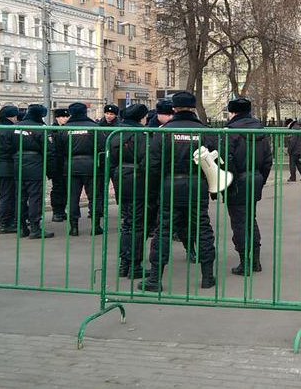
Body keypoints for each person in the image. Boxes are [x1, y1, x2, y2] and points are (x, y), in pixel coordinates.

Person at [142, 91, 217, 291]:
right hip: (197, 184)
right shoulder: (205, 131)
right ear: (193, 108)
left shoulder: (164, 131)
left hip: (170, 185)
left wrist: (153, 191)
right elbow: (214, 163)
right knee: (202, 228)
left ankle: (154, 279)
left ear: (174, 108)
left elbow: (153, 164)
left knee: (163, 230)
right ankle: (207, 276)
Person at [224, 98, 274, 276]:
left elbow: (226, 160)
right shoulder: (260, 131)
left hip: (237, 182)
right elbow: (268, 160)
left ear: (233, 112)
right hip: (255, 179)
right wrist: (261, 179)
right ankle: (256, 260)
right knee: (250, 219)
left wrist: (229, 183)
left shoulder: (231, 132)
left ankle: (244, 262)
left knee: (239, 222)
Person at [107, 104, 152, 279]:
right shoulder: (141, 134)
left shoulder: (115, 133)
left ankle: (124, 263)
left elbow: (110, 160)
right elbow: (146, 160)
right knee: (137, 224)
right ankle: (134, 265)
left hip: (120, 177)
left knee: (127, 222)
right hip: (136, 178)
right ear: (141, 118)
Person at [54, 103, 103, 236]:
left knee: (73, 197)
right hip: (91, 165)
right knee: (94, 197)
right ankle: (96, 226)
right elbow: (102, 146)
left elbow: (58, 149)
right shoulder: (94, 127)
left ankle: (74, 227)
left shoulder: (64, 129)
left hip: (70, 165)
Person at [14, 105, 55, 239]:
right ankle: (35, 228)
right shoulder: (41, 128)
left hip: (18, 163)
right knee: (35, 197)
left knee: (20, 196)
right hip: (35, 164)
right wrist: (50, 171)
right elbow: (48, 150)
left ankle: (21, 227)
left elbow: (9, 144)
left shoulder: (17, 127)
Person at [0, 106, 20, 234]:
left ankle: (2, 220)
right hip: (7, 165)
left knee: (3, 194)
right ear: (11, 116)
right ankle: (4, 223)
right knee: (8, 196)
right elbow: (13, 148)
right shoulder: (11, 129)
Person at [48, 108, 70, 223]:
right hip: (57, 164)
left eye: (67, 117)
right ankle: (57, 212)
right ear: (57, 118)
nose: (66, 118)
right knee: (57, 188)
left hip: (66, 163)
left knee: (65, 188)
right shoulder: (53, 130)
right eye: (63, 117)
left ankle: (62, 211)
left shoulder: (68, 129)